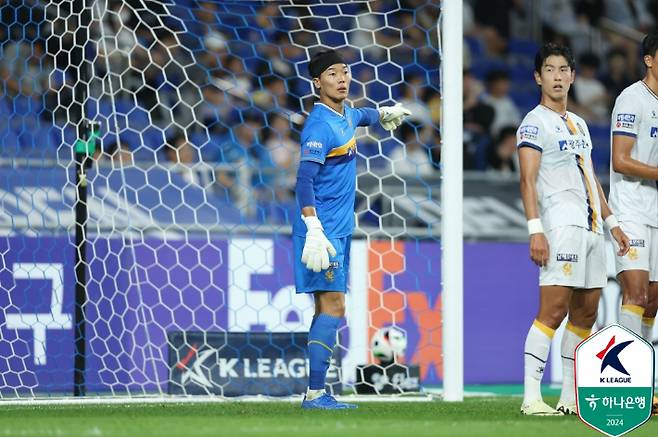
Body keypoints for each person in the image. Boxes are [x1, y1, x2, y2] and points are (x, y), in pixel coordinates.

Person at [292, 49, 410, 410]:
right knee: (334, 306)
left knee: (326, 306)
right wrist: (313, 227)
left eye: (345, 72)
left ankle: (316, 392)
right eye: (332, 74)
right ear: (317, 82)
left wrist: (383, 114)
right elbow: (303, 181)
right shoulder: (320, 126)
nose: (342, 79)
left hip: (337, 227)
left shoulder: (344, 114)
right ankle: (315, 394)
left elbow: (362, 115)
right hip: (321, 229)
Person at [517, 43, 629, 416]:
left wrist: (613, 224)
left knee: (585, 314)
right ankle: (531, 397)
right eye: (550, 70)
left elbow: (591, 177)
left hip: (593, 228)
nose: (558, 76)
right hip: (560, 225)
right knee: (553, 311)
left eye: (564, 69)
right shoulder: (534, 122)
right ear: (538, 77)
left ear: (573, 76)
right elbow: (527, 180)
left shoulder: (579, 123)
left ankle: (569, 397)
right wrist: (536, 229)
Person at [608, 31, 658, 415]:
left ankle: (645, 387)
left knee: (653, 304)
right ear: (649, 59)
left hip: (656, 211)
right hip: (632, 209)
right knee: (636, 296)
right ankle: (625, 386)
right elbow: (621, 159)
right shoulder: (632, 98)